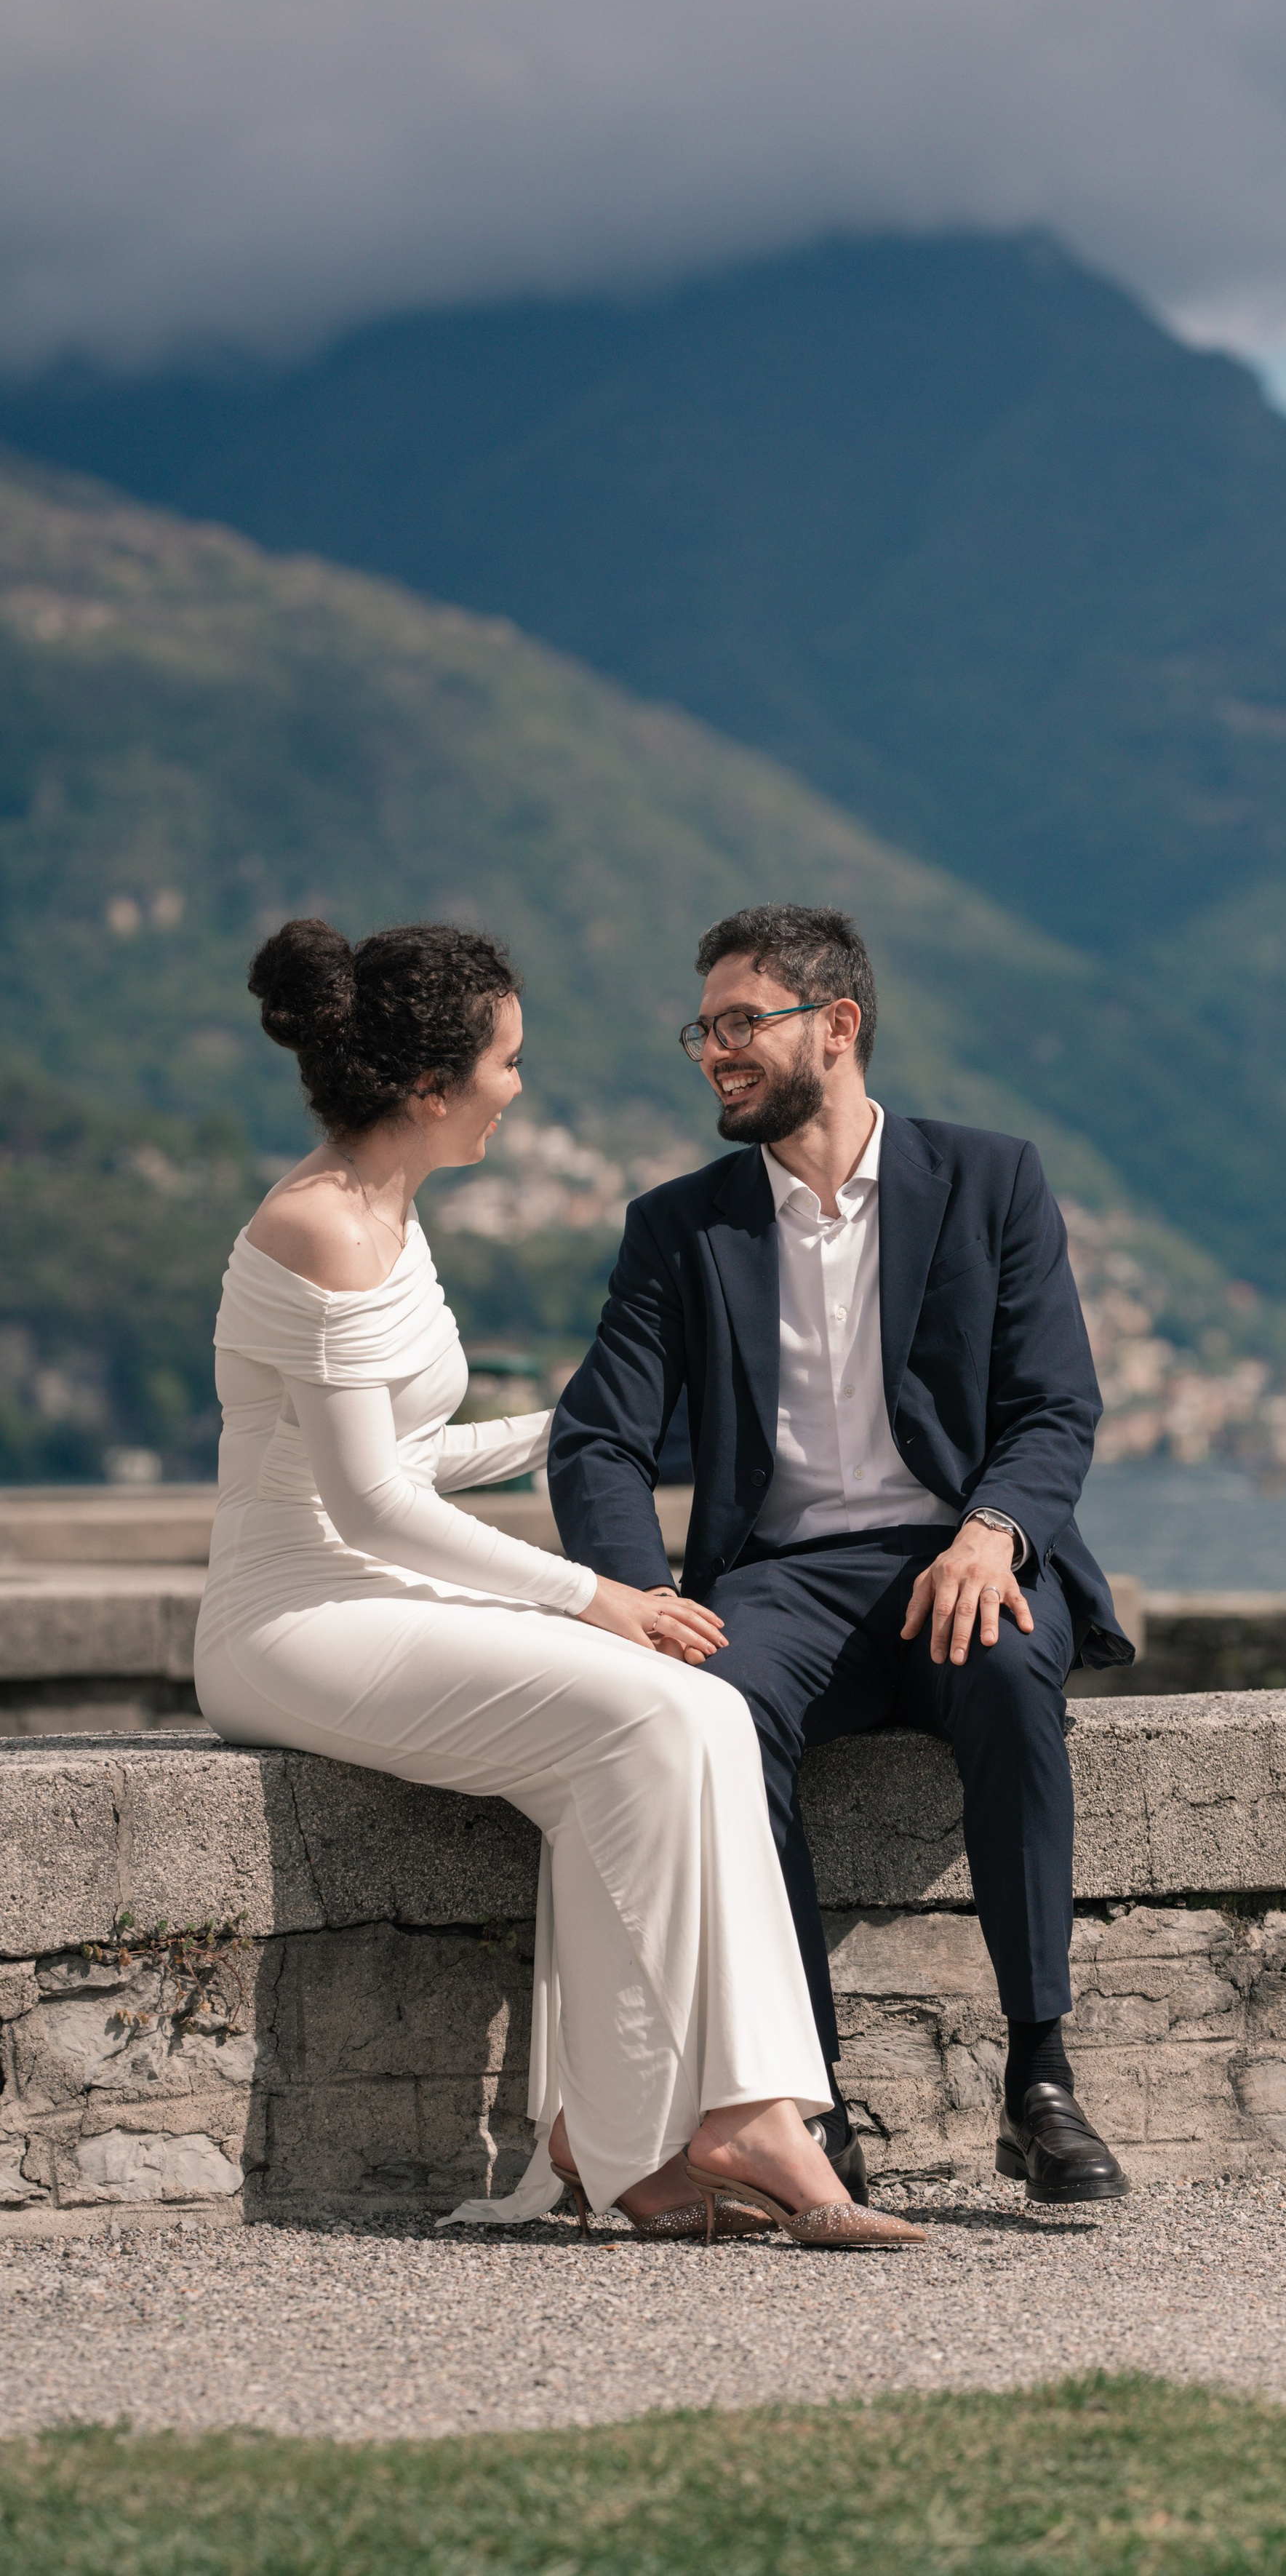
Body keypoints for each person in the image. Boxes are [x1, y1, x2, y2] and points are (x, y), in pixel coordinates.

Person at [193, 915, 923, 2252]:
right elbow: (368, 1504)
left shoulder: (382, 1208)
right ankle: (668, 2133)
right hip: (293, 1618)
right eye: (506, 1062)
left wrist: (580, 1423)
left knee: (692, 1712)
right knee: (652, 1700)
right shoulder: (320, 1229)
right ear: (431, 1088)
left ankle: (680, 2125)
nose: (518, 1087)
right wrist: (595, 1595)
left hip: (379, 1597)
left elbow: (401, 1455)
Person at [549, 904, 1134, 2205]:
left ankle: (1040, 2080)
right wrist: (635, 1592)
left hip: (957, 1553)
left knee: (1010, 1672)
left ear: (839, 1026)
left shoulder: (991, 1179)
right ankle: (805, 2104)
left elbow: (1054, 1407)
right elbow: (600, 1438)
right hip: (783, 1581)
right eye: (703, 1028)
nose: (714, 1050)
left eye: (742, 1022)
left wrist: (994, 1532)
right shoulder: (679, 1228)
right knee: (714, 1706)